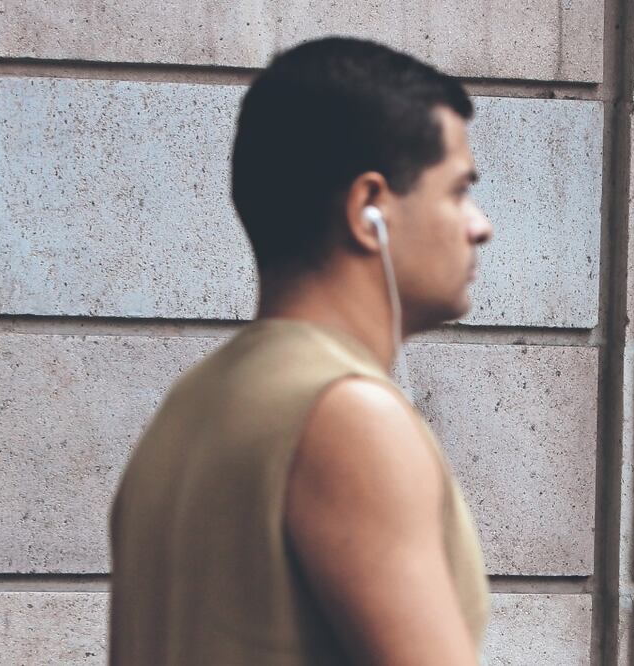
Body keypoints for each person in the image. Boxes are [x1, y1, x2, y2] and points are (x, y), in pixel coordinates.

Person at [108, 37, 494, 665]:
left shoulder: (192, 406)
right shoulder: (348, 416)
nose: (480, 224)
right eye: (456, 190)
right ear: (369, 207)